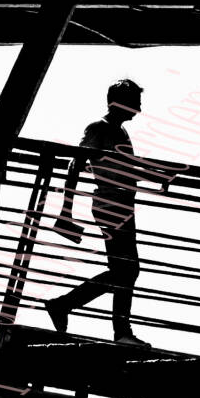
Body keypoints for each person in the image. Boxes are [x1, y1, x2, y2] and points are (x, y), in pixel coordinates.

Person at [45, 79, 151, 347]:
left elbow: (121, 169)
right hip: (111, 206)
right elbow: (76, 163)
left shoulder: (118, 131)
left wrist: (155, 175)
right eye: (135, 103)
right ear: (121, 103)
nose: (139, 109)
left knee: (124, 271)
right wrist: (65, 212)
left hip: (120, 206)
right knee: (127, 270)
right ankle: (117, 330)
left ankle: (66, 306)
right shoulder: (99, 128)